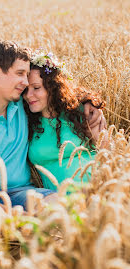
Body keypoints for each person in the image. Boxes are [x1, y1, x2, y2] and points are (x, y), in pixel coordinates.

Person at [0, 41, 104, 208]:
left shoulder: (21, 102)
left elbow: (55, 91)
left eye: (26, 76)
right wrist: (2, 212)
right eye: (20, 73)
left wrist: (89, 104)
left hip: (23, 193)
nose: (26, 83)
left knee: (58, 206)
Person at [23, 51, 106, 190]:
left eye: (36, 88)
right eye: (26, 89)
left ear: (53, 87)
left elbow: (106, 153)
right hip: (60, 202)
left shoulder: (83, 112)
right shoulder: (25, 121)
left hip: (99, 191)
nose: (29, 95)